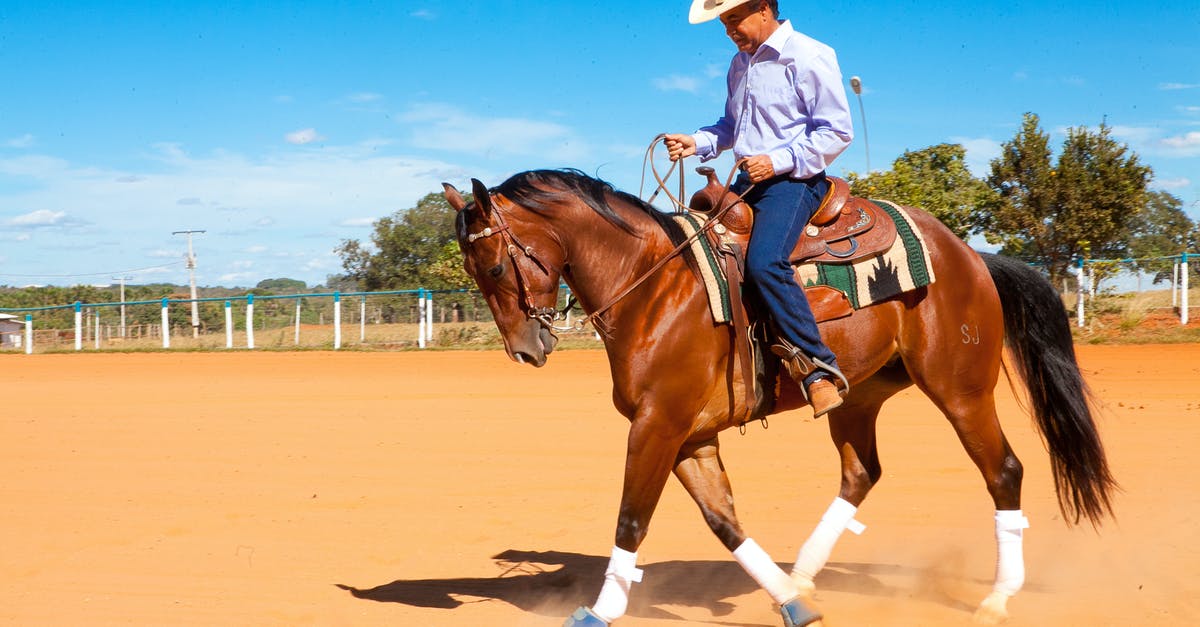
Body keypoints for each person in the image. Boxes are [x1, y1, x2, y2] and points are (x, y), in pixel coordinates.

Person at [665, 0, 853, 418]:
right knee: (696, 250)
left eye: (734, 18)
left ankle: (818, 369)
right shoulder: (739, 64)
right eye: (723, 22)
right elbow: (732, 127)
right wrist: (696, 142)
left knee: (766, 261)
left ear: (764, 8)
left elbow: (837, 132)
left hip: (795, 182)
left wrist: (778, 160)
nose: (728, 29)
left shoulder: (808, 55)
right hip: (748, 180)